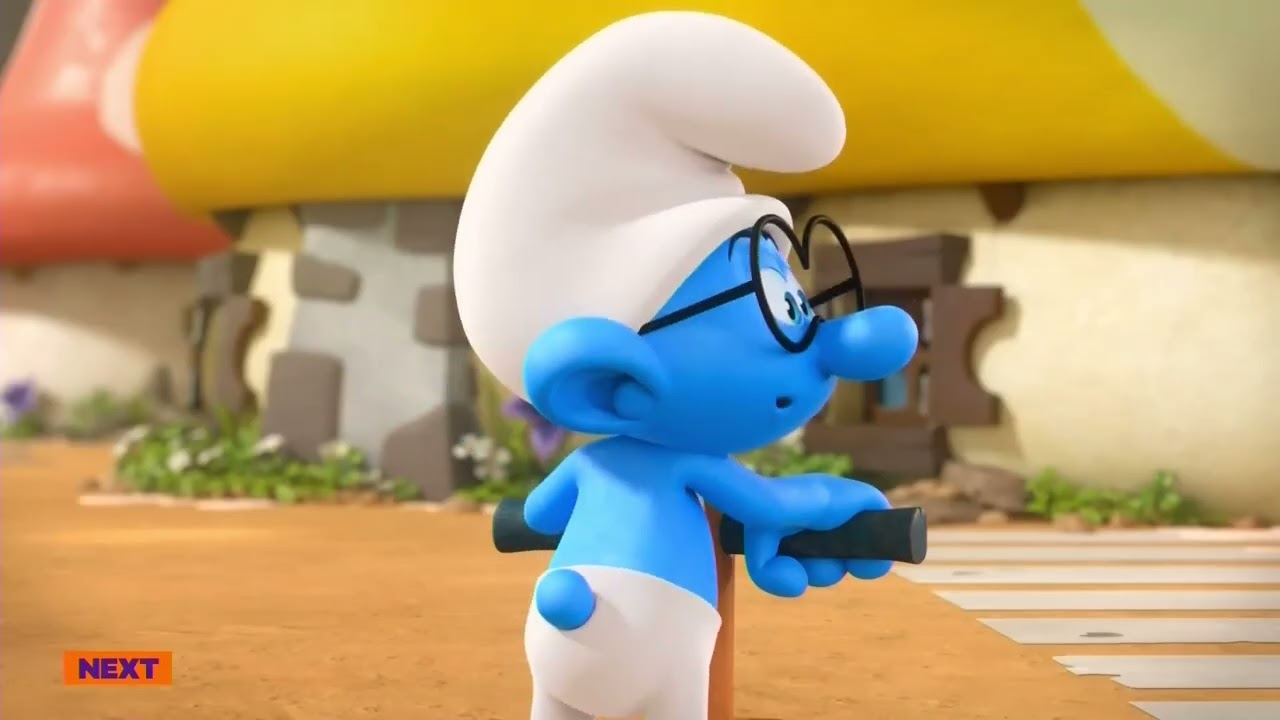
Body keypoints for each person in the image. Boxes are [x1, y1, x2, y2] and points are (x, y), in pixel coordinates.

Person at [453, 11, 918, 720]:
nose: (836, 340)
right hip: (657, 628)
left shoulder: (590, 464)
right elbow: (775, 504)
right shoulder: (690, 467)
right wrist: (840, 499)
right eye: (781, 311)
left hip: (561, 618)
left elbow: (537, 516)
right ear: (612, 385)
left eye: (793, 303)